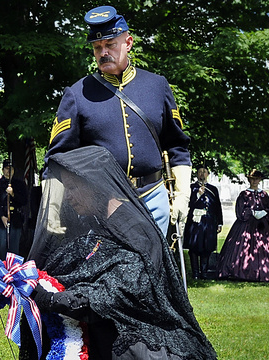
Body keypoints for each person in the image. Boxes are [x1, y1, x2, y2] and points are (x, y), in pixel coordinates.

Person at [26, 146, 269, 360]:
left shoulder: (136, 230)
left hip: (140, 347)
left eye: (73, 187)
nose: (67, 197)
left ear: (95, 183)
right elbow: (85, 265)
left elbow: (117, 292)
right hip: (110, 336)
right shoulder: (103, 220)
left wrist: (53, 299)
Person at [45, 5, 191, 235]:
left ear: (128, 43)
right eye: (97, 47)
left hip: (154, 197)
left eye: (110, 45)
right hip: (103, 204)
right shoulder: (76, 94)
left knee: (154, 269)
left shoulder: (157, 86)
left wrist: (182, 194)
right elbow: (58, 157)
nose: (103, 52)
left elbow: (176, 145)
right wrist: (52, 208)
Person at [217, 169, 269, 282]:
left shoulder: (264, 194)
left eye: (257, 179)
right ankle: (240, 271)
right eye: (252, 179)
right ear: (249, 179)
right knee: (241, 248)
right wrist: (251, 212)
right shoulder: (244, 194)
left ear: (260, 180)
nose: (254, 181)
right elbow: (240, 211)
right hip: (245, 226)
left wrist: (264, 212)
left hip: (262, 226)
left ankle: (265, 271)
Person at [183, 164, 223, 279]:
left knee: (207, 247)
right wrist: (198, 194)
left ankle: (204, 273)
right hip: (195, 222)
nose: (202, 174)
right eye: (200, 172)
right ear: (197, 174)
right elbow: (188, 204)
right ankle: (195, 273)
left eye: (204, 172)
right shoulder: (191, 188)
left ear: (208, 174)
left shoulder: (213, 189)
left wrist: (219, 223)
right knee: (194, 247)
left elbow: (217, 207)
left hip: (209, 222)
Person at [0, 157, 29, 259]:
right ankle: (3, 271)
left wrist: (13, 194)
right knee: (2, 248)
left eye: (11, 168)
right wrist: (2, 216)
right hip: (1, 220)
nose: (9, 171)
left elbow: (24, 201)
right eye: (6, 168)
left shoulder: (20, 184)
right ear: (3, 170)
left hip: (15, 219)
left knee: (14, 250)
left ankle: (13, 271)